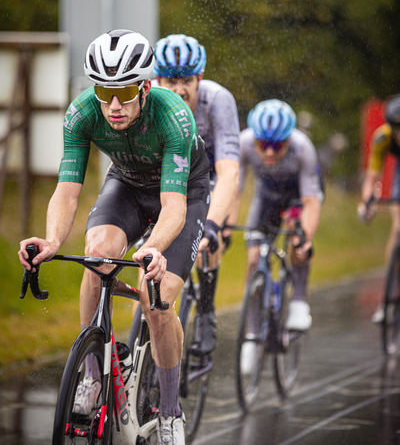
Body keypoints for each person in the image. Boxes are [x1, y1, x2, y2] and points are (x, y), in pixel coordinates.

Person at [18, 29, 211, 445]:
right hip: (126, 183)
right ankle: (92, 372)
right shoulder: (82, 113)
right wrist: (52, 241)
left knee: (154, 296)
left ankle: (171, 414)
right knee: (97, 255)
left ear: (145, 86)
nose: (115, 105)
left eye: (125, 91)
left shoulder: (173, 115)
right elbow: (67, 190)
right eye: (105, 92)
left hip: (182, 192)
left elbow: (173, 207)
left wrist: (154, 248)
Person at [153, 34, 240, 362]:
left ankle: (205, 310)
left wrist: (214, 225)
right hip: (169, 174)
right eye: (170, 80)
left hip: (213, 174)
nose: (178, 90)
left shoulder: (218, 100)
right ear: (156, 79)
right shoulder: (150, 99)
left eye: (186, 80)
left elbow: (230, 172)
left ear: (199, 79)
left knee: (209, 240)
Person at [226, 99, 322, 365]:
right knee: (255, 259)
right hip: (266, 199)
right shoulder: (244, 143)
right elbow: (234, 190)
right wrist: (226, 225)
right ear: (254, 140)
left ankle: (299, 301)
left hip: (297, 199)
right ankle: (252, 333)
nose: (268, 153)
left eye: (276, 146)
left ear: (288, 142)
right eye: (263, 145)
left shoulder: (303, 149)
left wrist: (306, 239)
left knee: (297, 238)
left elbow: (311, 203)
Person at [358, 94, 400, 323]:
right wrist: (368, 202)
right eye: (397, 130)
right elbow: (372, 177)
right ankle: (389, 296)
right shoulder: (382, 137)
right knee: (398, 226)